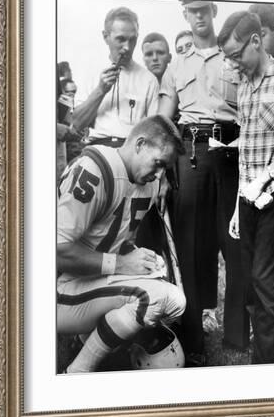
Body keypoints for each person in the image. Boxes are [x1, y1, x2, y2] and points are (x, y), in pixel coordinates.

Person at [57, 115, 186, 373]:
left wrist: (139, 258)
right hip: (53, 290)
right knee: (159, 297)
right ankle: (77, 373)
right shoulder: (95, 169)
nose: (160, 174)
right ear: (139, 144)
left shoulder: (145, 184)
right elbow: (55, 251)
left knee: (170, 298)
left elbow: (114, 240)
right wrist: (122, 263)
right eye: (158, 163)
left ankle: (101, 353)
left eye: (166, 169)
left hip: (84, 284)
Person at [159, 0, 248, 366]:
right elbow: (165, 118)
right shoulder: (175, 66)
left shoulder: (234, 57)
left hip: (232, 154)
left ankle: (237, 336)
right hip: (191, 152)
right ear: (184, 14)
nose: (197, 16)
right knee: (191, 248)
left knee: (237, 245)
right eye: (190, 10)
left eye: (203, 9)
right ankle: (192, 339)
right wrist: (164, 168)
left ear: (213, 10)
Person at [218, 10, 274, 364]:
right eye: (230, 58)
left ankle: (270, 370)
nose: (235, 63)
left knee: (267, 284)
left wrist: (266, 176)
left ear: (256, 41)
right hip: (248, 199)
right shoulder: (244, 86)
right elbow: (245, 153)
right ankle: (262, 362)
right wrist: (238, 208)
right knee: (251, 287)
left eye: (237, 55)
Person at [72, 7, 159, 147]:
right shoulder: (91, 72)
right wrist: (100, 90)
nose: (128, 47)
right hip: (97, 149)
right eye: (121, 39)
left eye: (133, 40)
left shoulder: (149, 80)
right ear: (105, 37)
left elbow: (153, 134)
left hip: (132, 152)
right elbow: (77, 124)